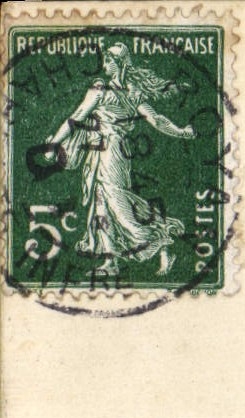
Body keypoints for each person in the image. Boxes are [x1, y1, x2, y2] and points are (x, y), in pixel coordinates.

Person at [48, 43, 194, 276]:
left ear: (118, 65)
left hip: (109, 152)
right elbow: (157, 120)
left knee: (117, 204)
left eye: (107, 61)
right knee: (101, 203)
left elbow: (74, 119)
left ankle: (162, 243)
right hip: (113, 151)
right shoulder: (132, 93)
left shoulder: (101, 92)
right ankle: (110, 262)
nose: (104, 65)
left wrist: (53, 144)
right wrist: (182, 131)